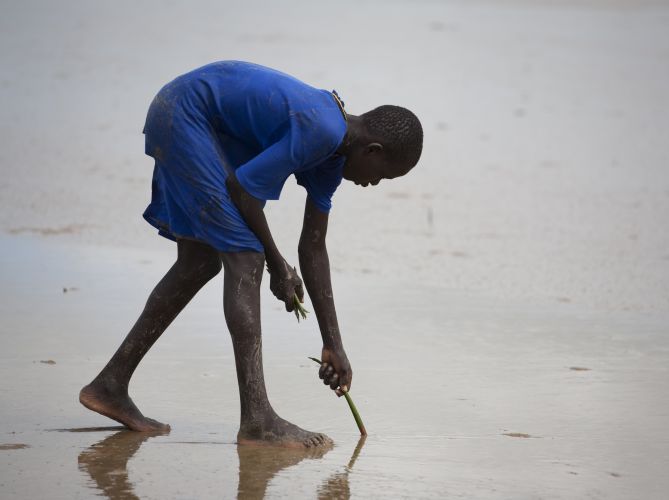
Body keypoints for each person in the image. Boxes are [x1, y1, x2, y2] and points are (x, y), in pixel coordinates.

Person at [79, 60, 423, 448]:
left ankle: (110, 385)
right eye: (383, 175)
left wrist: (333, 344)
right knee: (247, 257)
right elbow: (242, 190)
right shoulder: (322, 129)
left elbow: (312, 248)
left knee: (202, 260)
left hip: (198, 123)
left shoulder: (333, 158)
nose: (373, 183)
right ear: (374, 150)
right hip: (185, 113)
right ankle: (257, 420)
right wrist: (277, 265)